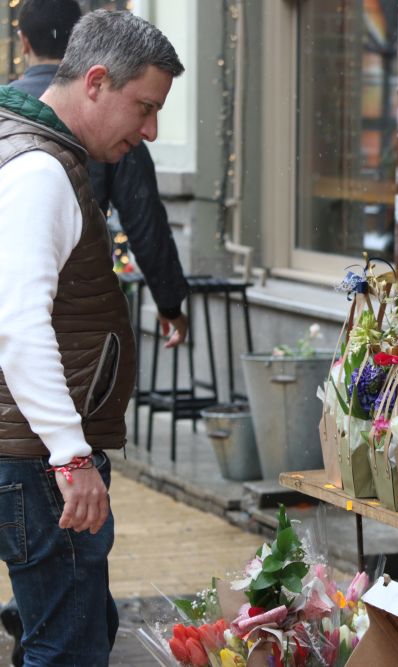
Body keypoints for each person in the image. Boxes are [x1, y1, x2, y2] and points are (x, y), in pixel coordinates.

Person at [0, 9, 183, 665]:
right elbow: (18, 323)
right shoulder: (41, 171)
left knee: (73, 624)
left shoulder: (26, 148)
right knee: (68, 645)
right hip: (40, 457)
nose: (151, 130)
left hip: (30, 447)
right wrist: (71, 455)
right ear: (98, 82)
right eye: (145, 107)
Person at [9, 0, 189, 349]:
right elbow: (144, 218)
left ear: (24, 41)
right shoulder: (106, 123)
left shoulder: (8, 117)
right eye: (146, 109)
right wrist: (170, 301)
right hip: (65, 343)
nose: (150, 131)